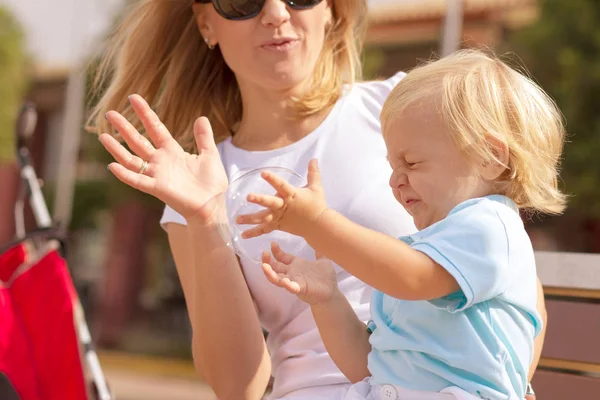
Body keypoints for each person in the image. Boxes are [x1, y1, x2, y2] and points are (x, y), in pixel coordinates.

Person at [90, 1, 546, 399]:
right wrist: (208, 216)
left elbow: (517, 291)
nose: (275, 13)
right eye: (242, 1)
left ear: (332, 8)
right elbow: (237, 387)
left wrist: (494, 386)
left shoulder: (408, 111)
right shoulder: (197, 185)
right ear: (207, 23)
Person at [236, 49, 565, 400]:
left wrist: (318, 223)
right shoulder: (426, 251)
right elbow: (366, 368)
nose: (395, 180)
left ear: (490, 159)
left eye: (411, 162)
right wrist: (327, 299)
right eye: (392, 166)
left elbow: (411, 277)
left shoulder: (490, 227)